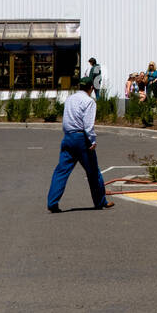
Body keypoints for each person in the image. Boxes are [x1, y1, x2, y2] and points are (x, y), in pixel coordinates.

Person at [47, 76, 113, 212]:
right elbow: (88, 124)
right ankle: (100, 201)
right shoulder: (89, 101)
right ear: (91, 88)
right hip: (81, 138)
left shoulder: (70, 99)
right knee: (93, 171)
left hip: (68, 136)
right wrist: (92, 140)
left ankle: (52, 202)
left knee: (61, 171)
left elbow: (66, 120)